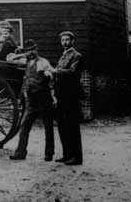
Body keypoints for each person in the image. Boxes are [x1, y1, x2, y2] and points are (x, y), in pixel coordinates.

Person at [10, 40, 55, 161]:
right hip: (31, 99)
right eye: (29, 50)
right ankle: (20, 152)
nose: (32, 52)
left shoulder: (43, 61)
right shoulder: (26, 61)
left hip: (44, 98)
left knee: (48, 126)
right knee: (24, 125)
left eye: (34, 50)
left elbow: (52, 73)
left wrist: (47, 73)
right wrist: (22, 54)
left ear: (37, 50)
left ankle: (49, 154)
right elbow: (10, 59)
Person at [51, 31, 83, 165]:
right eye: (62, 40)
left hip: (71, 95)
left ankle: (76, 157)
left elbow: (72, 72)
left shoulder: (77, 56)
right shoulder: (63, 56)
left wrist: (56, 71)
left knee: (72, 126)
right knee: (62, 126)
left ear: (72, 41)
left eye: (67, 40)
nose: (64, 42)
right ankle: (66, 154)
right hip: (61, 95)